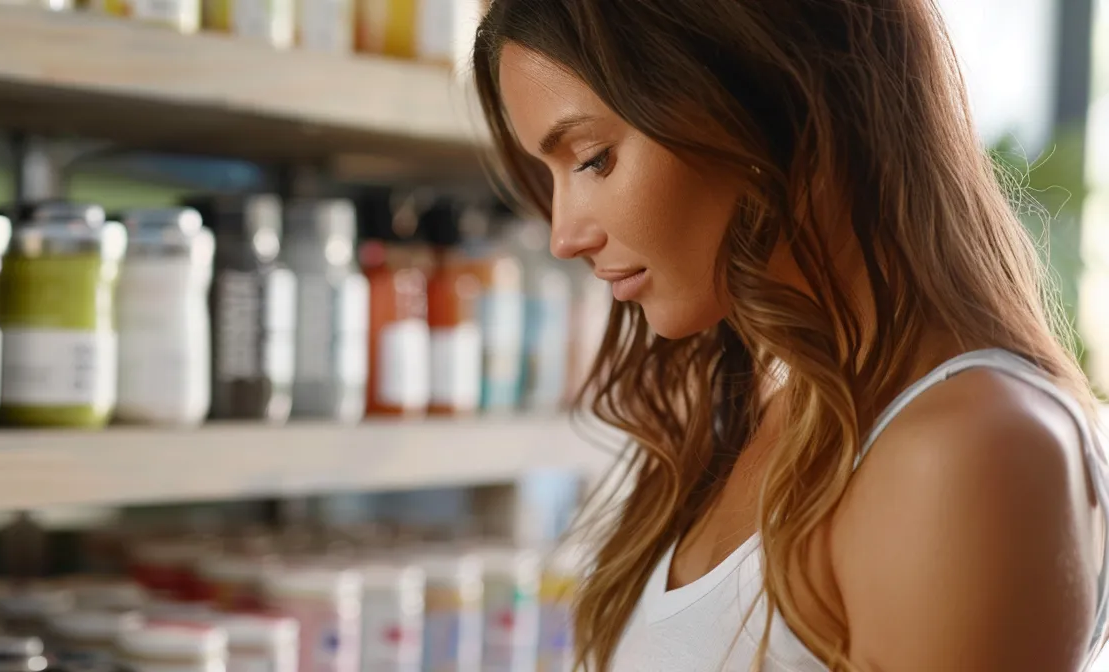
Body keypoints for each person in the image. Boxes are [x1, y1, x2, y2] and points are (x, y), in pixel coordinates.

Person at [470, 0, 1109, 670]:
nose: (564, 235)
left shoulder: (964, 453)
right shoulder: (761, 409)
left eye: (594, 159)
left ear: (767, 93)